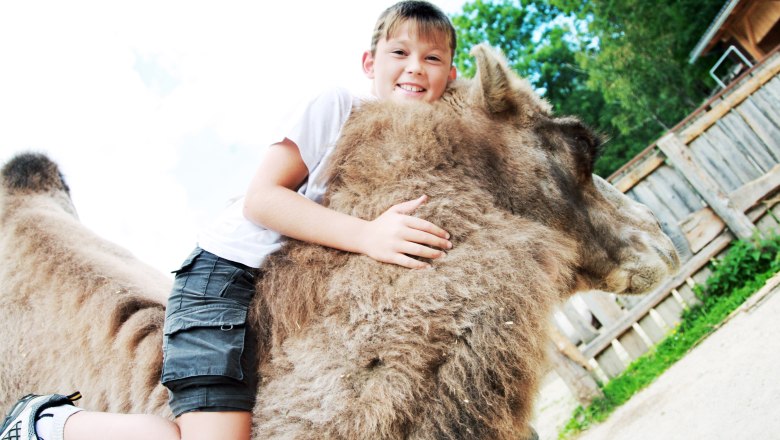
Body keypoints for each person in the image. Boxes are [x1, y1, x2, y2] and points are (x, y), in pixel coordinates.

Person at [0, 2, 457, 439]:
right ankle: (47, 424)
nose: (415, 66)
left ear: (451, 76)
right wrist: (368, 235)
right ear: (368, 62)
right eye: (399, 52)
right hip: (222, 282)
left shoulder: (427, 145)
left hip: (274, 299)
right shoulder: (337, 106)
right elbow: (262, 198)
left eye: (432, 57)